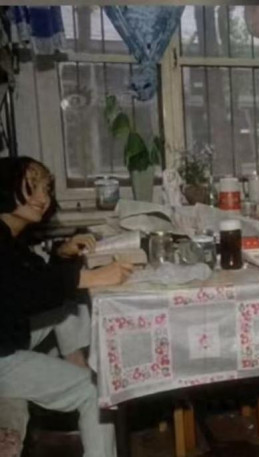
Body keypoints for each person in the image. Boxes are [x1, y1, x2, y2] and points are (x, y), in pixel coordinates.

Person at [0, 157, 133, 457]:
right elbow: (23, 289)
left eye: (46, 189)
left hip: (8, 330)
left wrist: (62, 254)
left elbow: (35, 279)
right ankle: (82, 380)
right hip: (3, 354)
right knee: (96, 392)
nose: (43, 198)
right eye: (32, 187)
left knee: (70, 302)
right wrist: (93, 276)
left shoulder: (9, 234)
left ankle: (77, 364)